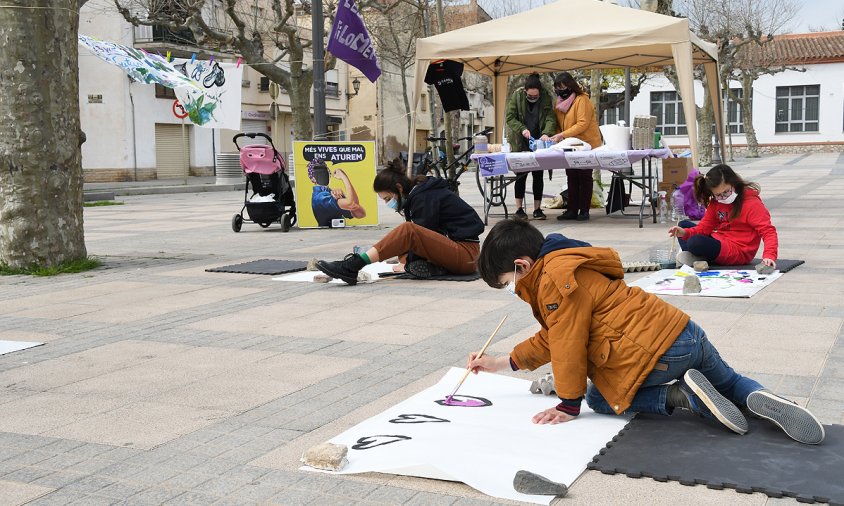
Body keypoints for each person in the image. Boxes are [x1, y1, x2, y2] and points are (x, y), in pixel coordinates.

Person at [467, 219, 824, 445]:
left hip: (658, 355)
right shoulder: (570, 262)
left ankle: (685, 396)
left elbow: (566, 342)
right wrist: (501, 362)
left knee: (599, 399)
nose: (511, 289)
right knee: (729, 380)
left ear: (522, 266)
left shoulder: (552, 282)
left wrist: (570, 404)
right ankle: (765, 398)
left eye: (506, 283)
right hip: (685, 331)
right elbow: (553, 336)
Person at [316, 158, 485, 285]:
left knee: (408, 230)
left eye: (388, 198)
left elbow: (418, 234)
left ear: (399, 188)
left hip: (467, 255)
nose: (387, 203)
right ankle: (435, 267)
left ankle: (353, 265)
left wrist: (406, 260)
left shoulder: (424, 197)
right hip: (460, 251)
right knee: (404, 247)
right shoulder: (419, 195)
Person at [668, 164, 778, 268]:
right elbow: (704, 228)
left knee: (695, 242)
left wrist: (769, 255)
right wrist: (684, 233)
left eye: (726, 192)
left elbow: (768, 231)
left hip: (739, 251)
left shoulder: (752, 204)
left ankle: (697, 258)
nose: (723, 197)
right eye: (718, 195)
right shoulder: (716, 202)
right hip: (720, 241)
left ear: (734, 183)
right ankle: (698, 258)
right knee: (683, 225)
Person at [549, 72, 603, 222]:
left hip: (586, 145)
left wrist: (563, 135)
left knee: (584, 176)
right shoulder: (559, 103)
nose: (561, 91)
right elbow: (559, 125)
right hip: (570, 145)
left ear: (571, 85)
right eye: (558, 88)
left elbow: (582, 123)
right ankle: (572, 209)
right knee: (571, 176)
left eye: (563, 87)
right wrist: (558, 136)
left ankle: (584, 210)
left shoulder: (582, 100)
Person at [505, 73, 558, 221]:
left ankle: (537, 209)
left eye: (536, 96)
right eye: (530, 95)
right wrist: (522, 129)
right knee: (520, 175)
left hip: (539, 142)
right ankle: (519, 209)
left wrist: (547, 133)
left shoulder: (546, 97)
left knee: (538, 175)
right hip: (521, 140)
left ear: (540, 93)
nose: (533, 98)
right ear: (525, 91)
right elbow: (510, 117)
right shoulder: (517, 96)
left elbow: (550, 117)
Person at [309, 158, 366, 227]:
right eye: (319, 172)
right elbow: (353, 204)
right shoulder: (320, 197)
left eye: (325, 171)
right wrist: (344, 177)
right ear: (313, 178)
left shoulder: (330, 193)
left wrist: (343, 197)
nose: (323, 175)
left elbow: (360, 214)